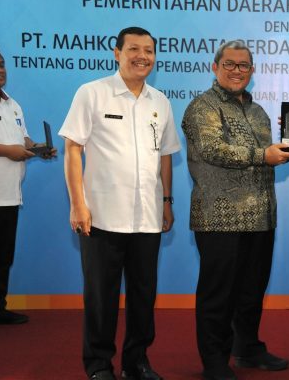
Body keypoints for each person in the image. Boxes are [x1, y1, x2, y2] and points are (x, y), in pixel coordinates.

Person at [59, 27, 181, 380]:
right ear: (117, 53)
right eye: (133, 49)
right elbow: (72, 149)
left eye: (148, 50)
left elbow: (166, 156)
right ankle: (98, 365)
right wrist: (77, 204)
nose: (142, 55)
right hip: (101, 217)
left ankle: (136, 362)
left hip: (147, 218)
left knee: (144, 296)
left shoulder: (160, 102)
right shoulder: (92, 93)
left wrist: (167, 201)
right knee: (101, 299)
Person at [182, 40, 289, 380]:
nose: (236, 70)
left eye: (243, 65)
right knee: (218, 294)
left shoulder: (259, 112)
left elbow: (269, 155)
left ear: (252, 71)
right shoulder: (202, 107)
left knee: (251, 290)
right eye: (229, 64)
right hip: (220, 217)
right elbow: (214, 150)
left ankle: (247, 348)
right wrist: (264, 155)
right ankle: (214, 360)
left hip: (261, 217)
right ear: (214, 67)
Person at [0, 48, 56, 325]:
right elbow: (10, 147)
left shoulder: (13, 104)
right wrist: (6, 150)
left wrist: (39, 149)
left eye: (1, 65)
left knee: (3, 256)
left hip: (9, 195)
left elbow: (24, 141)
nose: (0, 70)